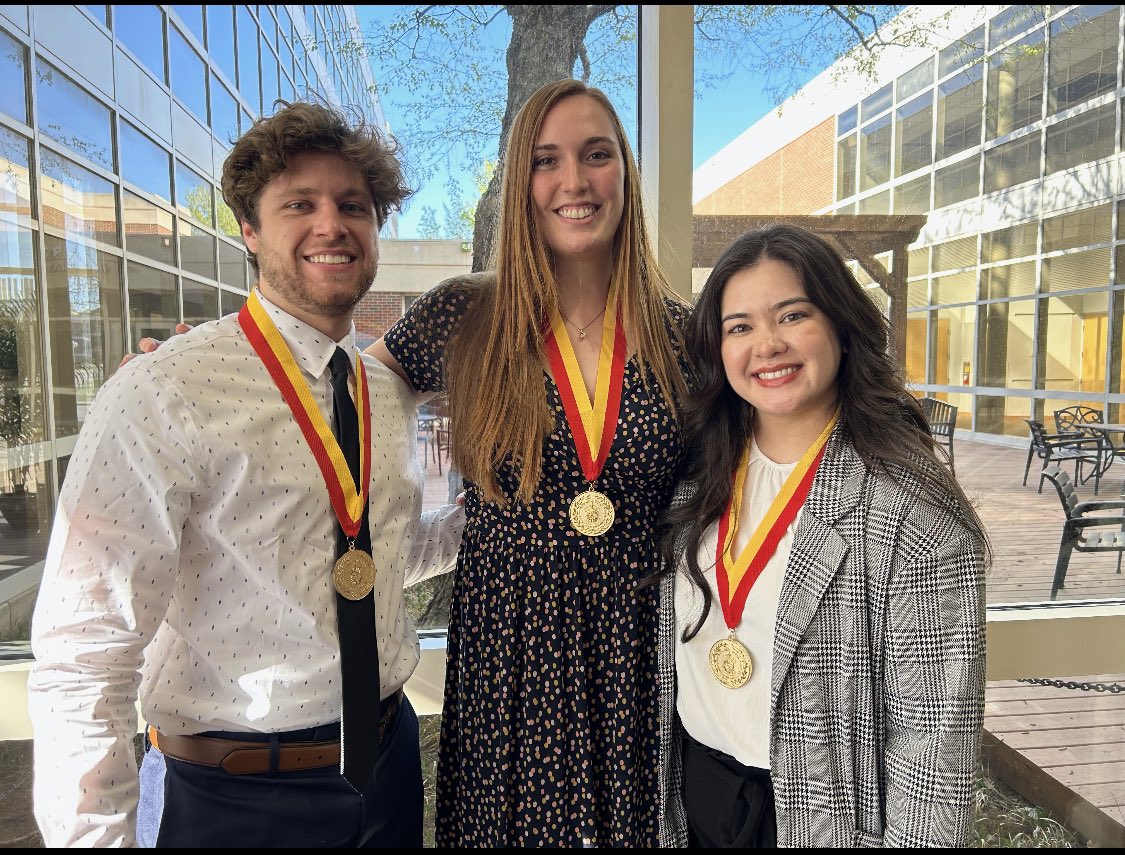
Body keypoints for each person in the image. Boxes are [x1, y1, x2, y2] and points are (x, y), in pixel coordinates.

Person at [28, 100, 464, 848]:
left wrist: (502, 514)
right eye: (300, 204)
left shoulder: (385, 394)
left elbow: (382, 553)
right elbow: (85, 654)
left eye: (352, 206)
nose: (331, 225)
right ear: (249, 229)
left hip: (389, 773)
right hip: (228, 797)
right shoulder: (162, 392)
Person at [369, 78, 692, 846]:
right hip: (508, 656)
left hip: (640, 654)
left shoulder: (686, 336)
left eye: (595, 155)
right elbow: (341, 397)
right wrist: (206, 377)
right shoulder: (464, 315)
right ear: (521, 181)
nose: (573, 180)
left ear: (625, 174)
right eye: (546, 160)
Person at [656, 223, 989, 848]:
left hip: (819, 816)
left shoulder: (911, 511)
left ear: (840, 323)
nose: (767, 345)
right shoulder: (696, 476)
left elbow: (935, 750)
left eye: (793, 315)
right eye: (739, 327)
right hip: (696, 795)